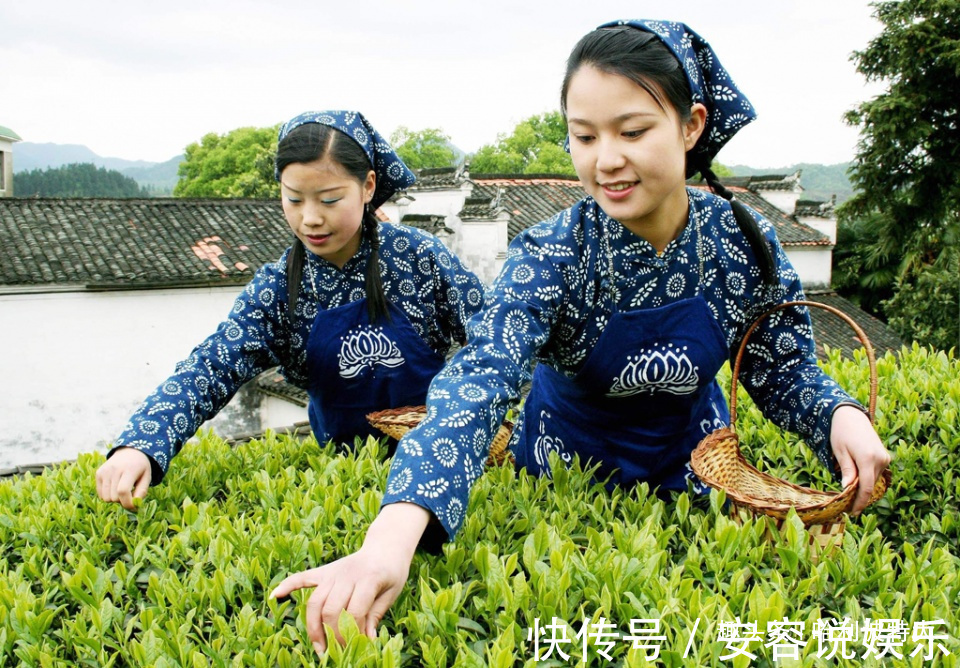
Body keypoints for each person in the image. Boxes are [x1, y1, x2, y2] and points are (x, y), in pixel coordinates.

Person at [270, 21, 892, 654]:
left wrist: (838, 416)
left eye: (632, 131)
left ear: (691, 125)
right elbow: (480, 378)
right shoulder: (555, 255)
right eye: (583, 136)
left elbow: (783, 370)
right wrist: (392, 537)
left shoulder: (743, 244)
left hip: (697, 482)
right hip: (563, 486)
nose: (606, 160)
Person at [95, 110, 485, 511]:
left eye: (330, 199)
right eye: (294, 199)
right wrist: (142, 443)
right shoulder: (279, 290)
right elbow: (212, 365)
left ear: (368, 186)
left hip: (443, 464)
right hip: (346, 483)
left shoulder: (419, 258)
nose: (310, 218)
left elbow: (495, 339)